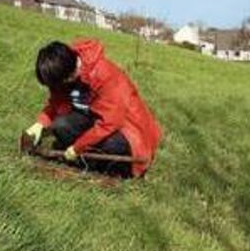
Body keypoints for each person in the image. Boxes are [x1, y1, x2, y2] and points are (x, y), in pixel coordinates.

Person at [24, 39, 161, 178]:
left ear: (68, 76)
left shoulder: (105, 75)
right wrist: (40, 124)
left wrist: (78, 147)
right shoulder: (63, 71)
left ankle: (117, 171)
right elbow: (55, 102)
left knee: (111, 145)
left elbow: (110, 123)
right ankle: (89, 159)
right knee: (60, 125)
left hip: (127, 128)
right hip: (93, 118)